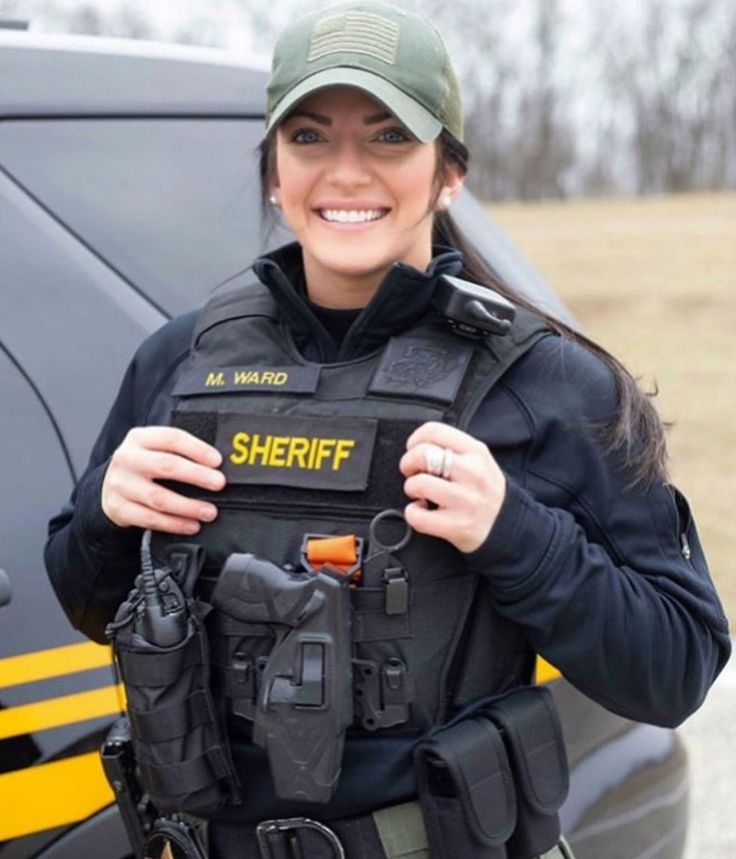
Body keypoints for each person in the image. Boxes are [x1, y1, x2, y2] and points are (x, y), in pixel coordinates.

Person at [45, 2, 730, 858]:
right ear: (272, 170)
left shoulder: (547, 382)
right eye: (308, 137)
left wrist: (516, 534)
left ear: (449, 173)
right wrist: (107, 516)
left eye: (388, 137)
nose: (346, 172)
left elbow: (677, 668)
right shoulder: (179, 360)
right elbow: (86, 597)